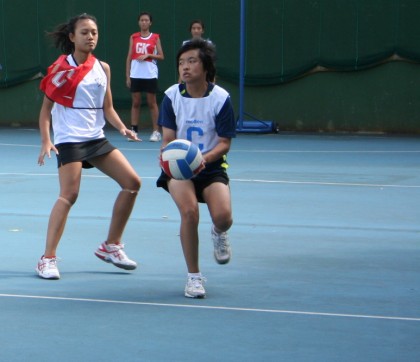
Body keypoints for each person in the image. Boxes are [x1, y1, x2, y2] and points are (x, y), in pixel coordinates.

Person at [36, 13, 141, 280]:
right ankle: (47, 259)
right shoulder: (60, 69)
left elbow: (108, 107)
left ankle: (111, 245)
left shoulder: (102, 68)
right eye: (84, 32)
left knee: (132, 183)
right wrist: (47, 140)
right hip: (70, 139)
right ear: (72, 37)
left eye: (94, 32)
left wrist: (121, 127)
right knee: (69, 195)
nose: (90, 37)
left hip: (96, 139)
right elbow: (46, 111)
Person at [157, 39, 236, 298]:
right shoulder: (171, 96)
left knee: (224, 217)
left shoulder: (221, 98)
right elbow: (167, 139)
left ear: (205, 66)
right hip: (179, 168)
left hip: (210, 166)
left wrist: (203, 159)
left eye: (192, 61)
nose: (185, 67)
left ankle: (218, 231)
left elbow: (224, 144)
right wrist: (169, 156)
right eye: (181, 63)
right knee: (189, 213)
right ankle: (193, 277)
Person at [126, 12, 164, 142]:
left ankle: (156, 132)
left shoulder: (155, 37)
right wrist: (128, 76)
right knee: (136, 102)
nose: (144, 22)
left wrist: (149, 55)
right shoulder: (134, 37)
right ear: (139, 22)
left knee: (151, 103)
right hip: (135, 74)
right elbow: (129, 56)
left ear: (150, 23)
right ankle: (134, 130)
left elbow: (161, 56)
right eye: (141, 20)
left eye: (146, 20)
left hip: (150, 74)